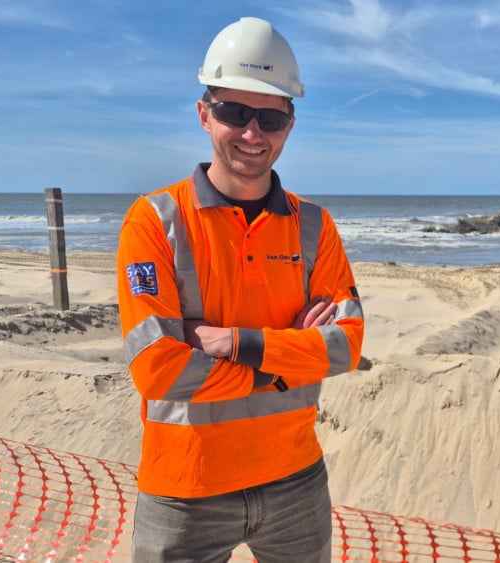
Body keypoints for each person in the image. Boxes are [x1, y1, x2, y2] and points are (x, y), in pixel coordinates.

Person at [116, 16, 364, 562]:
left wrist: (230, 341)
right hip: (184, 489)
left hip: (296, 481)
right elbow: (157, 368)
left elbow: (345, 348)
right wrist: (286, 363)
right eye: (234, 112)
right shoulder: (156, 221)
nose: (253, 133)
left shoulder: (314, 226)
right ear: (204, 115)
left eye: (270, 117)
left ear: (289, 127)